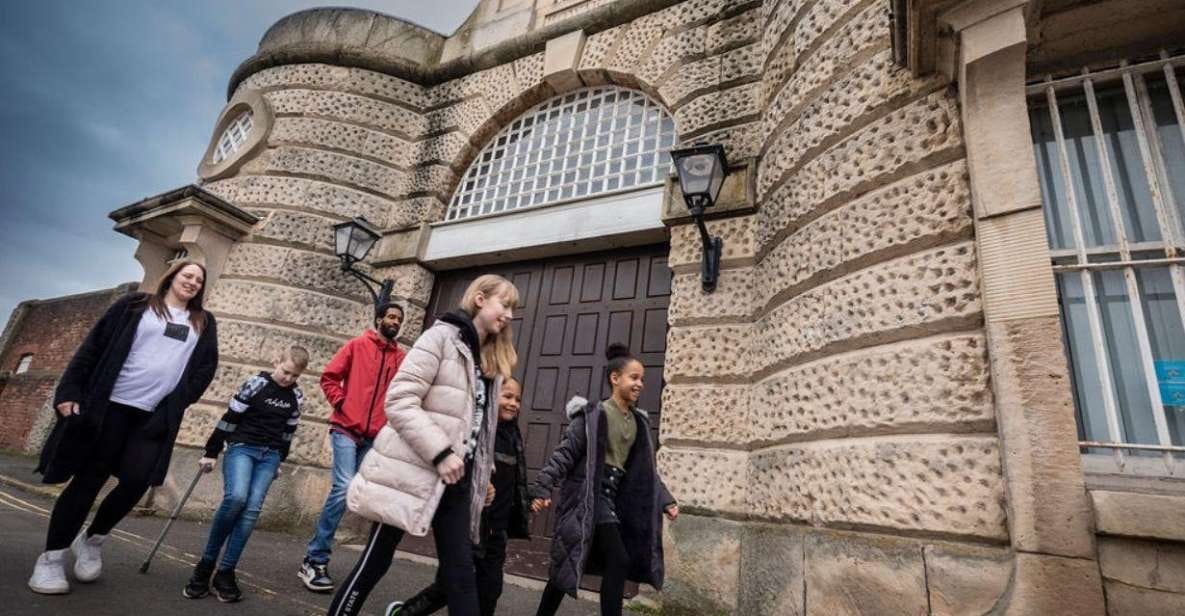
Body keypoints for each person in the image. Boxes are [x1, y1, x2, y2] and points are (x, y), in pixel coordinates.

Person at [326, 274, 519, 616]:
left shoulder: (490, 363)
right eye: (504, 304)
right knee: (375, 562)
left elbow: (477, 428)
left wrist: (483, 472)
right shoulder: (441, 338)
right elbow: (399, 401)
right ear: (479, 299)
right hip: (413, 469)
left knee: (460, 577)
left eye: (513, 309)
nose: (509, 314)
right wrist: (441, 452)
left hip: (458, 480)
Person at [28, 260, 220, 595]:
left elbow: (205, 368)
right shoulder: (134, 306)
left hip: (152, 416)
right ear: (172, 276)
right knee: (87, 483)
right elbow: (93, 347)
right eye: (187, 275)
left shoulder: (202, 322)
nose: (192, 282)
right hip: (108, 409)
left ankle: (92, 540)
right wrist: (70, 391)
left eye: (199, 280)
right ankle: (50, 559)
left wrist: (177, 403)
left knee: (137, 480)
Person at [529, 343, 679, 616]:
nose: (640, 384)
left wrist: (665, 500)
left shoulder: (638, 423)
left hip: (615, 501)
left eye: (642, 379)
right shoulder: (592, 415)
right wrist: (542, 486)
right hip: (589, 496)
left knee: (567, 566)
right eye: (634, 377)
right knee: (618, 560)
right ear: (615, 378)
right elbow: (565, 454)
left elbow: (646, 472)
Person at [386, 377, 531, 616]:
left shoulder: (513, 435)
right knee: (448, 585)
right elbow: (461, 466)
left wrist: (529, 498)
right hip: (472, 524)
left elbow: (516, 480)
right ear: (492, 397)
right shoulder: (479, 432)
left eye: (517, 399)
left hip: (497, 528)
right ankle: (403, 613)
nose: (513, 403)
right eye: (507, 396)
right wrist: (480, 484)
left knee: (490, 588)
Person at [183, 345, 310, 602]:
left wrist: (279, 462)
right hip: (242, 448)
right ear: (277, 361)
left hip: (269, 455)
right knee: (236, 498)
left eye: (295, 376)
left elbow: (287, 434)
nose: (288, 379)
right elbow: (229, 418)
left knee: (252, 510)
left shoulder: (296, 396)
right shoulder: (255, 384)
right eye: (286, 372)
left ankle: (225, 572)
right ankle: (205, 566)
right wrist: (211, 451)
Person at [299, 301, 406, 592]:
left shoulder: (401, 358)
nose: (394, 321)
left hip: (374, 436)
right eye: (391, 316)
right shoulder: (357, 345)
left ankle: (317, 557)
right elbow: (329, 377)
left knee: (356, 492)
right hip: (345, 428)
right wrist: (341, 403)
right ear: (379, 319)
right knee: (344, 486)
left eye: (399, 319)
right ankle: (315, 559)